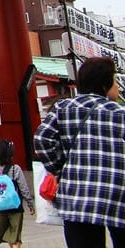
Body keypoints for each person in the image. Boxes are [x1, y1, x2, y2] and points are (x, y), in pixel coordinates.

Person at [35, 56, 125, 248]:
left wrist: (60, 169)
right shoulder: (120, 113)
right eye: (115, 80)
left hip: (77, 198)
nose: (117, 86)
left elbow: (42, 139)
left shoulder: (63, 108)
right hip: (118, 196)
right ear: (104, 85)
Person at [0, 139, 34, 248]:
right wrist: (30, 204)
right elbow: (23, 187)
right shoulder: (15, 169)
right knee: (15, 235)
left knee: (6, 234)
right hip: (15, 206)